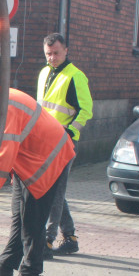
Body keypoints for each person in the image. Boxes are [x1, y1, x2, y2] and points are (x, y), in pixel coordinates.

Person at [0, 88, 76, 276]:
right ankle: (6, 264)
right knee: (18, 217)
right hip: (30, 158)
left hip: (46, 159)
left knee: (32, 220)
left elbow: (4, 149)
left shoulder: (0, 108)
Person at [37, 33, 92, 257]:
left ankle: (47, 241)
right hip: (44, 141)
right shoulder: (44, 73)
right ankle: (70, 238)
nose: (52, 57)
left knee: (55, 192)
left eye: (56, 53)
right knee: (53, 190)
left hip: (63, 143)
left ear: (66, 51)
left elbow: (86, 110)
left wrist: (70, 132)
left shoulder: (75, 76)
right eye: (48, 54)